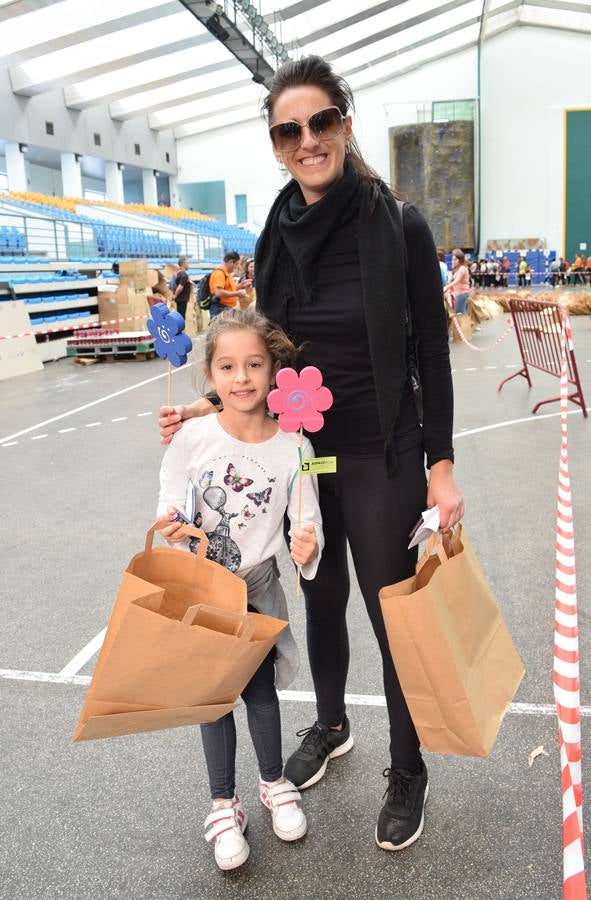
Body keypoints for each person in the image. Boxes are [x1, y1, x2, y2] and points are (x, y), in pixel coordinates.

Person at [158, 55, 463, 853]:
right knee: (318, 602)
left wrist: (441, 464)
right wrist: (209, 402)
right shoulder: (275, 230)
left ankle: (408, 766)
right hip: (298, 457)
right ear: (275, 143)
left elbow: (430, 352)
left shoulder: (397, 222)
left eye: (319, 122)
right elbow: (260, 346)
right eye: (288, 130)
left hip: (383, 449)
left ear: (344, 123)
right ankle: (331, 725)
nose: (306, 140)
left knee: (391, 612)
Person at [157, 308, 323, 871]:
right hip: (204, 589)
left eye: (254, 363)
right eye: (227, 366)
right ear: (210, 373)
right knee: (213, 698)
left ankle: (274, 784)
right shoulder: (191, 438)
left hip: (256, 589)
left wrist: (308, 546)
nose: (242, 377)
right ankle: (223, 804)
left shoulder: (294, 449)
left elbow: (308, 517)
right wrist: (170, 520)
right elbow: (169, 499)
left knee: (259, 693)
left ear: (275, 367)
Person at [208, 251, 250, 319]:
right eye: (236, 264)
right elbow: (219, 293)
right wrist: (237, 293)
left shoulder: (227, 273)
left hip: (225, 308)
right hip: (220, 309)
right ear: (231, 262)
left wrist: (240, 285)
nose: (236, 267)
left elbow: (228, 289)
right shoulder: (219, 273)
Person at [445, 249, 471, 315]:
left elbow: (457, 281)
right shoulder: (459, 268)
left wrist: (446, 287)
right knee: (460, 313)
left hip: (461, 294)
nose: (453, 261)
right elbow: (454, 280)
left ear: (460, 260)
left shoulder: (462, 268)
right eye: (452, 259)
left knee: (460, 314)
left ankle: (465, 325)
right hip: (459, 293)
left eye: (455, 259)